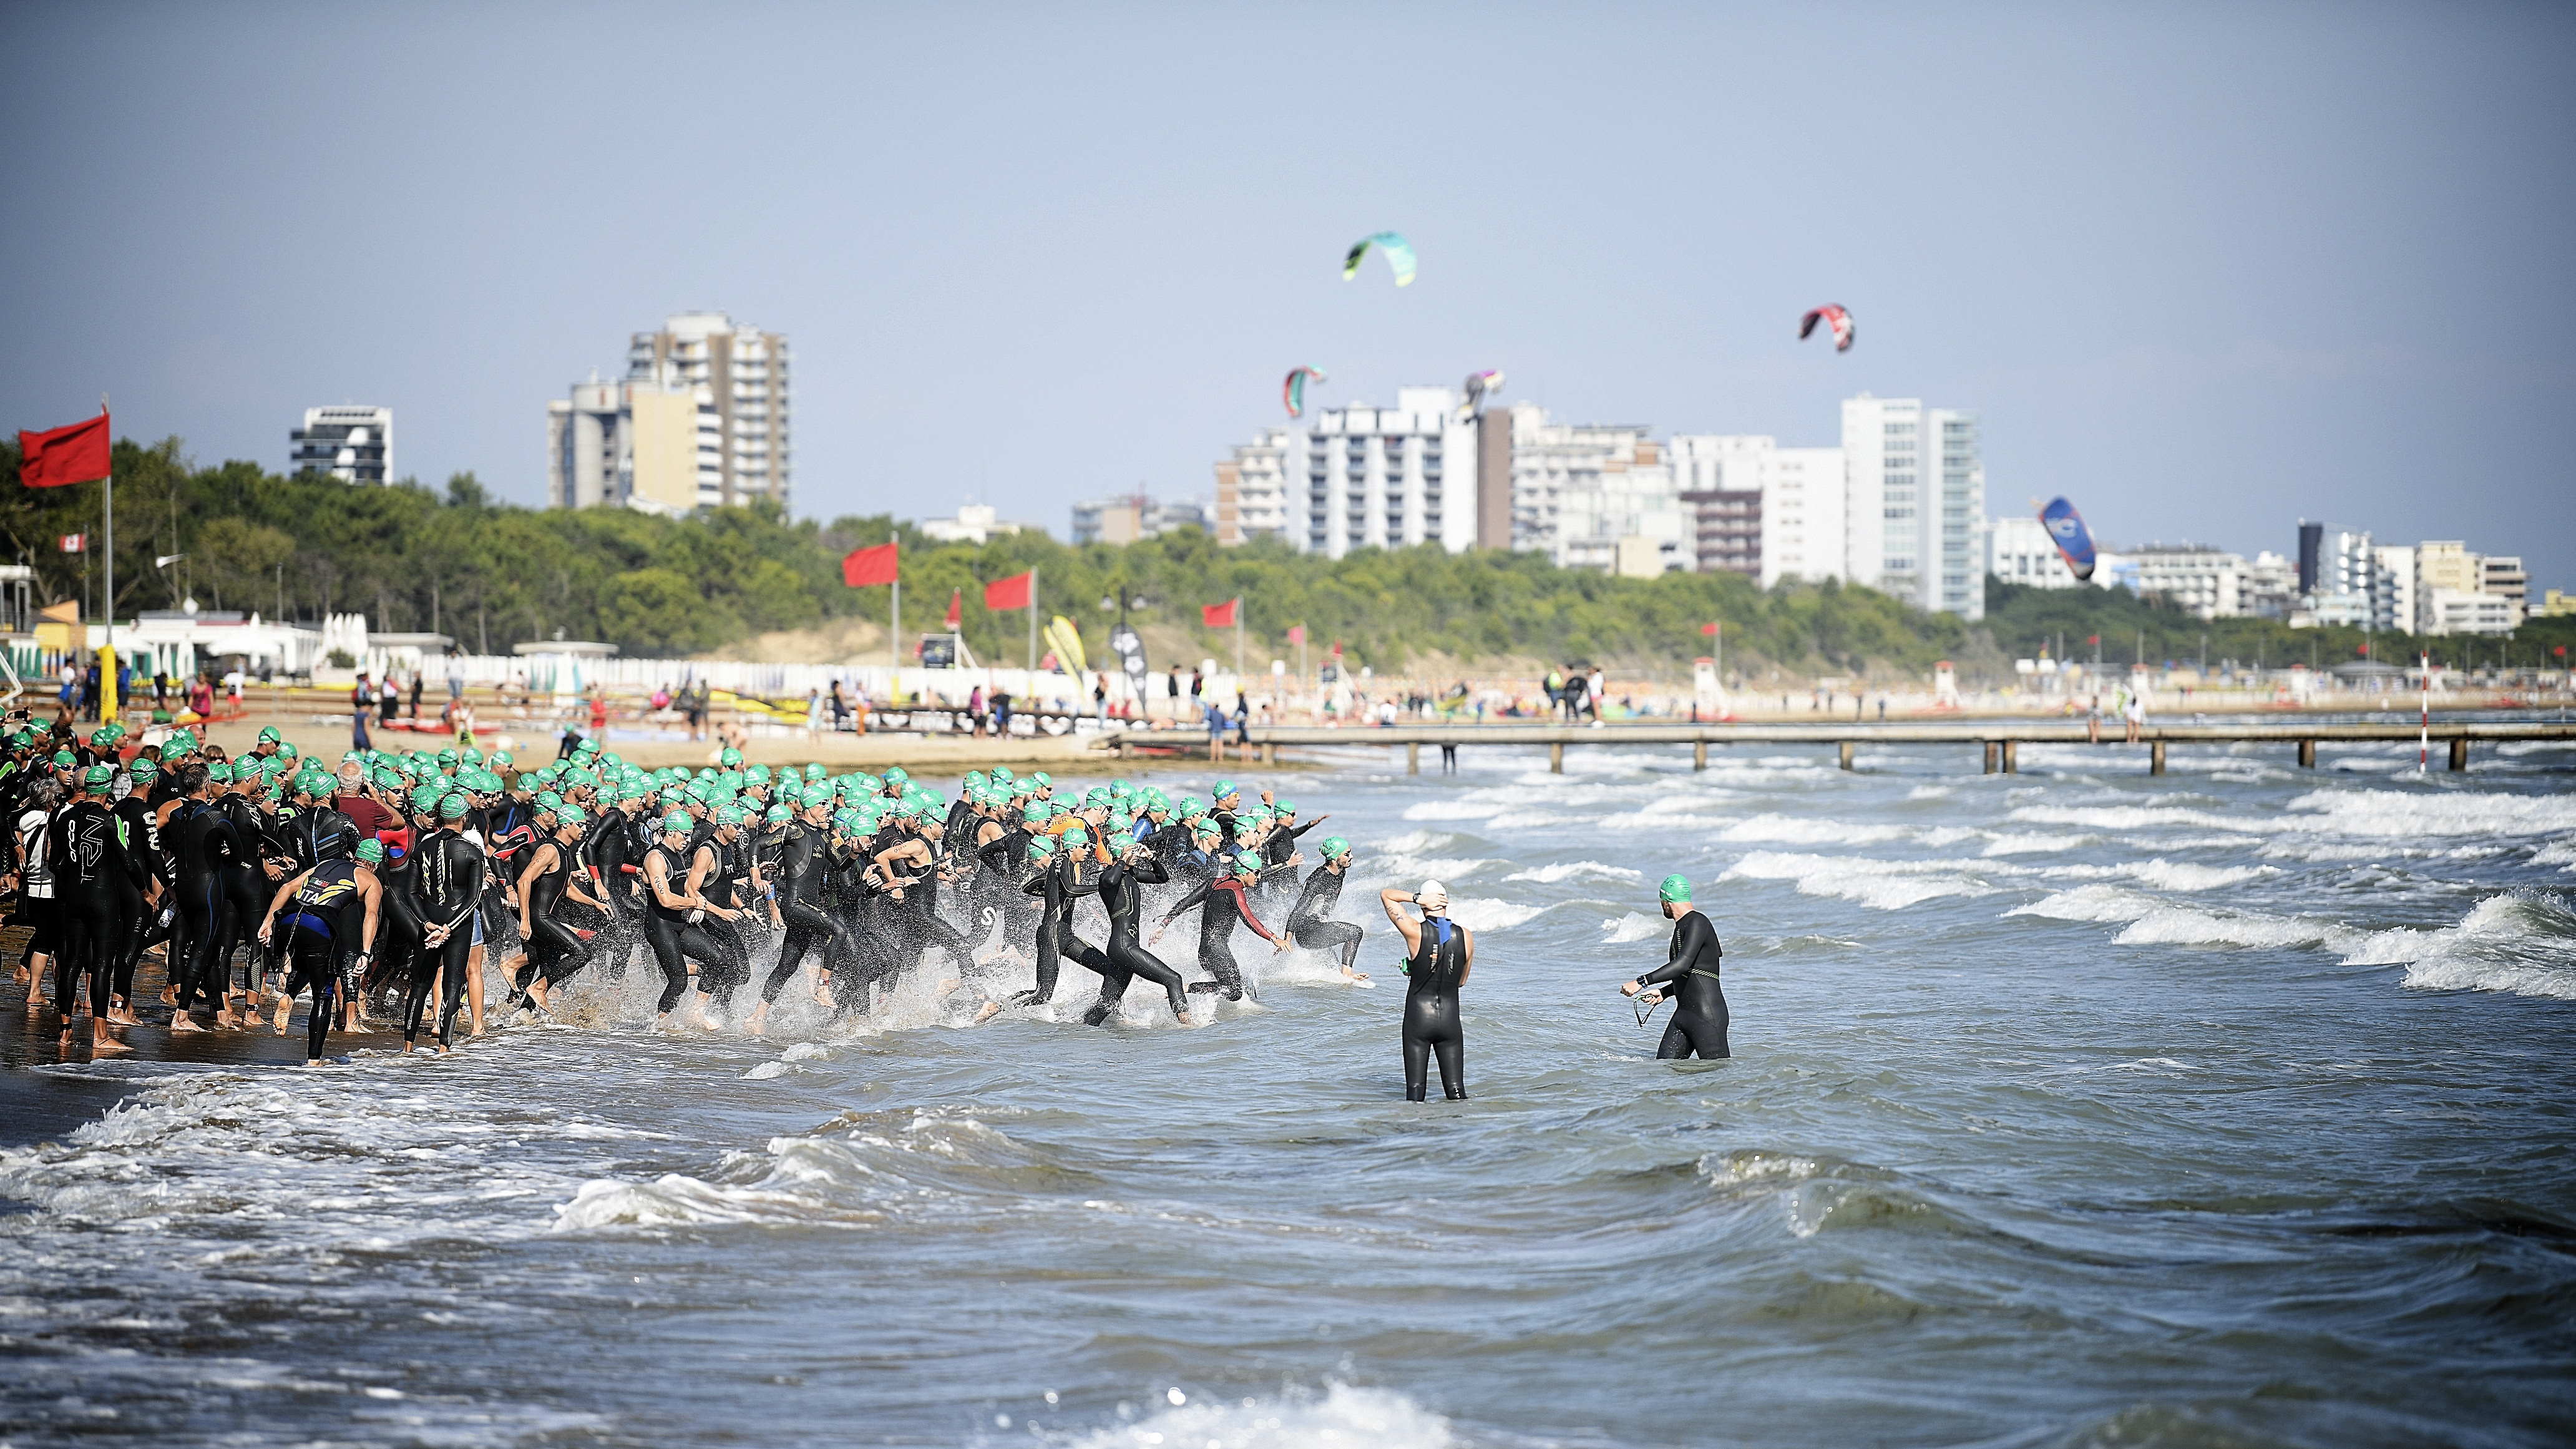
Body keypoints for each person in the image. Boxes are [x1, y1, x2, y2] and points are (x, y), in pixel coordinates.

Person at [1380, 879, 1471, 1101]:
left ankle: (1416, 1134)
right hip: (1450, 1021)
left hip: (1418, 1020)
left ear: (1423, 904)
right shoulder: (1466, 936)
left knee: (1416, 1090)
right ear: (1446, 902)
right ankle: (1465, 1133)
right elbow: (1461, 981)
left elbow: (1386, 895)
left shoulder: (1414, 931)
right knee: (1456, 1090)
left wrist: (1416, 898)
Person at [1620, 874, 1727, 1060]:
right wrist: (1665, 992)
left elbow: (1683, 964)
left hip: (1706, 1016)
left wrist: (1641, 982)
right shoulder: (1683, 926)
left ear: (1667, 901)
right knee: (1665, 1074)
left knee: (1718, 1077)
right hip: (1684, 1015)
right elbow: (1692, 970)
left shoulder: (1698, 922)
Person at [1285, 836, 1368, 983]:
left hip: (1318, 927)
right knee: (1355, 932)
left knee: (1332, 971)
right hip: (1307, 932)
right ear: (1335, 858)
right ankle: (1347, 974)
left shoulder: (1341, 871)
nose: (1352, 857)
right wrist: (1288, 939)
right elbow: (1300, 907)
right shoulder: (1318, 878)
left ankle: (1343, 976)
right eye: (1347, 854)